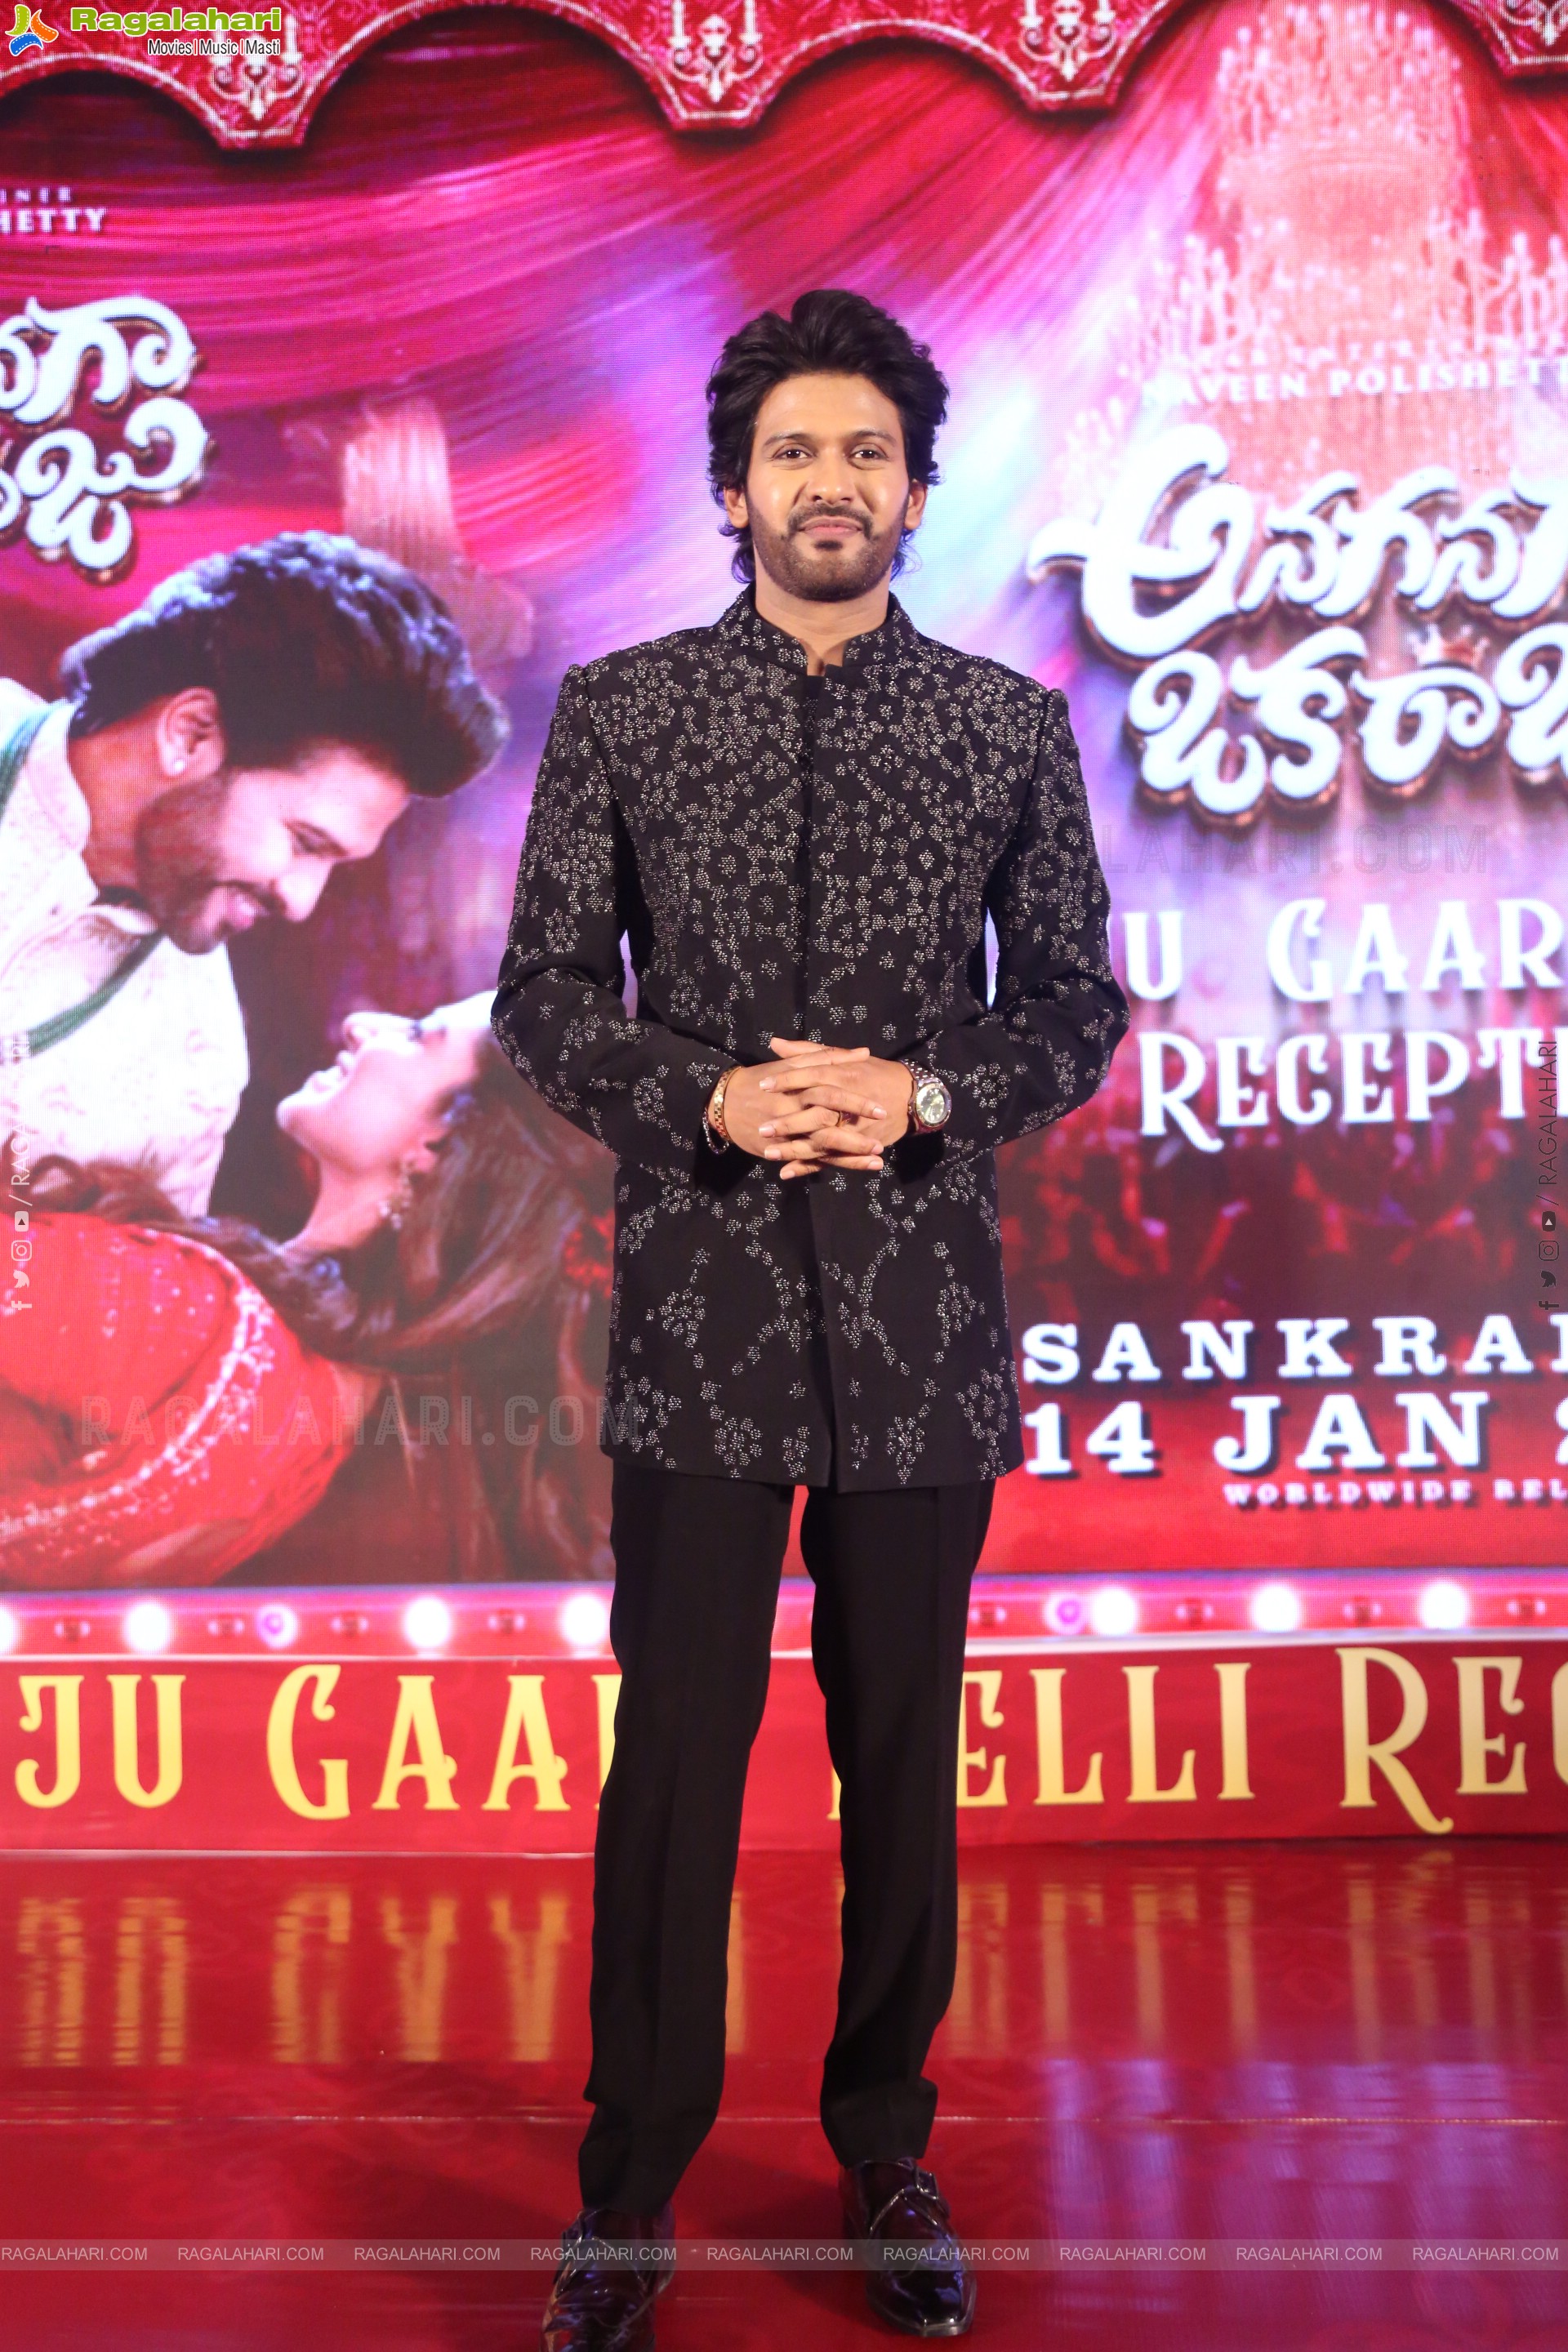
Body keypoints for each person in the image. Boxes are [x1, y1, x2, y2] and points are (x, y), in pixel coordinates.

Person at [492, 288, 1130, 2347]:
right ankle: (629, 2194)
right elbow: (542, 998)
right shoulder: (625, 711)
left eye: (866, 452)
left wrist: (929, 1093)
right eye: (793, 452)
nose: (829, 482)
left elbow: (1073, 1005)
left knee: (902, 1759)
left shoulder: (1003, 728)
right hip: (698, 1319)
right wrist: (707, 1098)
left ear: (916, 493)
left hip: (922, 1326)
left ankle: (884, 2145)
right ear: (734, 491)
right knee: (673, 1766)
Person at [0, 994, 602, 1583]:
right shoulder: (315, 1439)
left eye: (419, 1034)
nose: (359, 1023)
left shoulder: (194, 1317)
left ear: (436, 1147)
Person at [0, 531, 508, 1218]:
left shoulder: (194, 1069)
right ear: (190, 733)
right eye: (304, 842)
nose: (301, 901)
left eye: (334, 865)